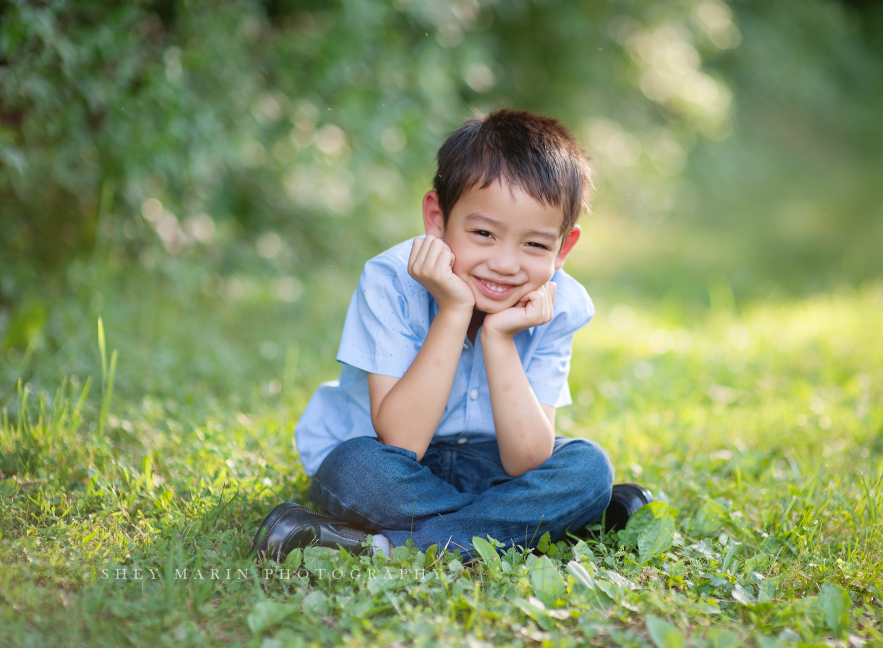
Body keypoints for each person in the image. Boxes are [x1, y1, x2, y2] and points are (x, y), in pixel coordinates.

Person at [252, 109, 651, 563]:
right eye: (483, 233)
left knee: (588, 469)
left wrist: (498, 338)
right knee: (355, 469)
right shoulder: (390, 280)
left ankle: (381, 548)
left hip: (495, 467)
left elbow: (527, 460)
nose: (505, 263)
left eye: (535, 245)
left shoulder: (561, 304)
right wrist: (455, 310)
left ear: (564, 248)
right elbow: (401, 440)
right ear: (437, 219)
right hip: (395, 467)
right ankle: (537, 523)